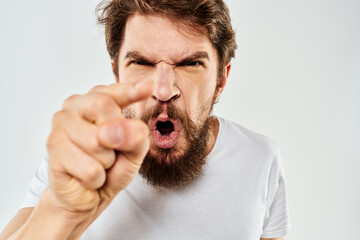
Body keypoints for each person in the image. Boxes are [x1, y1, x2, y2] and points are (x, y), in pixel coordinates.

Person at [0, 0, 290, 239]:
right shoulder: (82, 160)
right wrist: (63, 214)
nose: (163, 91)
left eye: (190, 64)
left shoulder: (260, 158)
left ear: (221, 80)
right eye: (141, 62)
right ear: (117, 74)